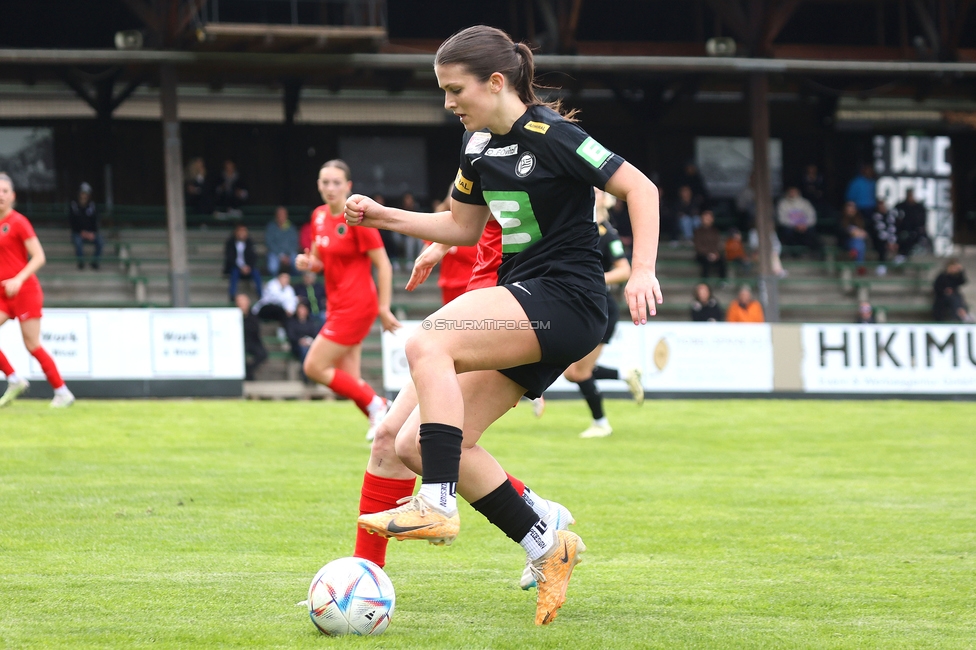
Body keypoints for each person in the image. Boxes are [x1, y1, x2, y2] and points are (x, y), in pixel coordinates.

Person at [345, 25, 662, 626]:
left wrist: (642, 269)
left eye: (454, 89)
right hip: (526, 304)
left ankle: (436, 503)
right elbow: (463, 228)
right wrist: (384, 216)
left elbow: (639, 186)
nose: (448, 103)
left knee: (428, 339)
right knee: (418, 443)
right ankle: (546, 539)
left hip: (565, 300)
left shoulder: (555, 135)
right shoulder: (476, 145)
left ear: (496, 82)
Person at [294, 160, 401, 438]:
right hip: (337, 304)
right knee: (350, 379)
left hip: (357, 304)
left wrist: (384, 307)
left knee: (314, 366)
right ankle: (387, 428)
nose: (330, 188)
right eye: (325, 182)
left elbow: (384, 265)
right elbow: (319, 260)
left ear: (348, 186)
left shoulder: (356, 217)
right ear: (318, 185)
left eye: (336, 183)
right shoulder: (318, 216)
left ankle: (379, 404)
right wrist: (308, 263)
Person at [562, 188, 643, 439]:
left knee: (578, 372)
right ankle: (624, 374)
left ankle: (601, 423)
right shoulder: (578, 227)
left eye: (598, 191)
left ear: (606, 199)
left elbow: (624, 270)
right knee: (570, 371)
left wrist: (593, 280)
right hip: (581, 307)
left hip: (601, 308)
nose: (592, 193)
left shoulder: (609, 234)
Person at [0, 173, 75, 408]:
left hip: (24, 291)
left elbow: (39, 257)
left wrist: (18, 279)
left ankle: (62, 392)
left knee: (32, 344)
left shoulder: (19, 222)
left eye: (4, 191)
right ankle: (14, 379)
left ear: (13, 196)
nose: (0, 195)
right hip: (3, 294)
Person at [776, 186, 821, 256]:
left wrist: (804, 225)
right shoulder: (782, 203)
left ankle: (813, 253)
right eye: (791, 192)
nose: (792, 193)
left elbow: (812, 216)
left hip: (805, 227)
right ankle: (792, 254)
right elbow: (781, 219)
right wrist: (795, 225)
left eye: (794, 191)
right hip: (790, 228)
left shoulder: (805, 203)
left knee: (812, 233)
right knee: (787, 233)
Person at [223, 224, 262, 302]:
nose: (242, 233)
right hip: (236, 267)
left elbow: (253, 257)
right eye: (240, 231)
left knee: (256, 273)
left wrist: (248, 267)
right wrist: (240, 267)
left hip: (248, 267)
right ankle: (232, 296)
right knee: (234, 274)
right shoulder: (230, 243)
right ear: (235, 232)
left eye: (244, 231)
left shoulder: (250, 242)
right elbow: (230, 258)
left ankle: (261, 295)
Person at [68, 182, 102, 270]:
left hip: (90, 233)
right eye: (82, 193)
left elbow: (95, 221)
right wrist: (81, 232)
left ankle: (95, 262)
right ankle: (81, 263)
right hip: (78, 233)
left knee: (100, 241)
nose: (84, 196)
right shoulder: (73, 205)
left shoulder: (92, 206)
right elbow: (73, 222)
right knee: (78, 242)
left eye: (86, 193)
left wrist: (92, 233)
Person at [236, 293, 267, 381]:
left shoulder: (253, 316)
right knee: (239, 355)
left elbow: (255, 330)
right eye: (240, 302)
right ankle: (248, 374)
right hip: (240, 342)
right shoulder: (235, 316)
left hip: (253, 341)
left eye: (244, 302)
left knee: (263, 354)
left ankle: (248, 370)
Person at [894, 188, 928, 262]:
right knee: (904, 237)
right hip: (903, 231)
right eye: (909, 195)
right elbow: (896, 221)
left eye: (911, 195)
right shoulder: (900, 206)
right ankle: (902, 255)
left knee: (920, 238)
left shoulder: (919, 207)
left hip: (916, 231)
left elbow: (922, 222)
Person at [693, 209, 726, 280]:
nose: (707, 220)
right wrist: (708, 254)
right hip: (702, 254)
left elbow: (718, 244)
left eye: (709, 218)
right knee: (705, 262)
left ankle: (722, 281)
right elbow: (698, 246)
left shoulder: (715, 231)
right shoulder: (698, 231)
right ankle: (705, 281)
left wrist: (716, 254)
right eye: (706, 218)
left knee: (722, 260)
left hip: (715, 254)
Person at [285, 299, 320, 367]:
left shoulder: (311, 322)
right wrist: (300, 340)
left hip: (310, 344)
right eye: (300, 308)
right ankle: (306, 371)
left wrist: (309, 340)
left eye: (303, 309)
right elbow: (291, 335)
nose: (301, 311)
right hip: (297, 346)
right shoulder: (292, 322)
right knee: (304, 350)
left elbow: (315, 334)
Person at [265, 206, 299, 275]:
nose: (281, 216)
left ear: (286, 215)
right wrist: (281, 255)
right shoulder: (271, 227)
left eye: (283, 214)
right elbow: (269, 243)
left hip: (290, 254)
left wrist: (288, 255)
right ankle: (276, 283)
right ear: (276, 216)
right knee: (273, 267)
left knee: (298, 266)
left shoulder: (291, 228)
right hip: (275, 253)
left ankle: (293, 282)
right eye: (279, 214)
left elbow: (294, 243)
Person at [870, 198, 898, 275]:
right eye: (879, 205)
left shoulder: (892, 215)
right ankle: (882, 265)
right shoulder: (874, 217)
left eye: (882, 204)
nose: (881, 207)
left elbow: (894, 229)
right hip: (880, 242)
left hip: (893, 240)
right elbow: (878, 232)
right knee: (881, 244)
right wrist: (888, 242)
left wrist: (892, 241)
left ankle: (900, 257)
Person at [839, 201, 869, 267]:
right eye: (849, 208)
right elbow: (840, 233)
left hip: (859, 241)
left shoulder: (860, 219)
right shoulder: (841, 219)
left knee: (859, 242)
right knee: (858, 243)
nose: (851, 210)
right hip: (846, 242)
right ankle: (860, 265)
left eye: (852, 208)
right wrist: (851, 233)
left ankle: (854, 252)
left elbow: (864, 232)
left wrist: (861, 233)